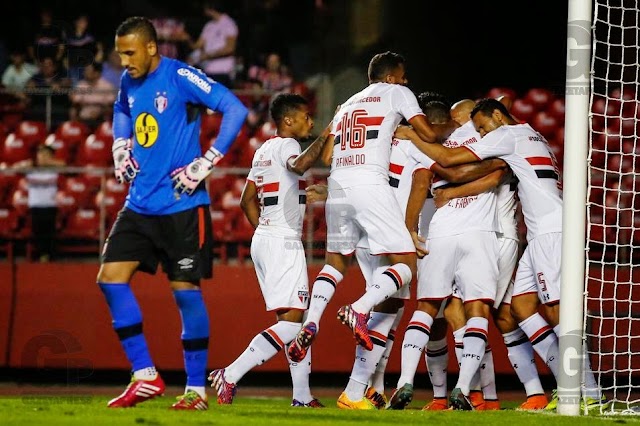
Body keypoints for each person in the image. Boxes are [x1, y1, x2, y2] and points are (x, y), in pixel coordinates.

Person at [407, 98, 608, 411]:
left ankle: (590, 394)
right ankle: (558, 387)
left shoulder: (507, 136)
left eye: (484, 127)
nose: (483, 133)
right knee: (521, 308)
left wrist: (414, 138)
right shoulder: (529, 133)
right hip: (539, 231)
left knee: (556, 312)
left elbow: (450, 158)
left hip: (548, 232)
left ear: (497, 118)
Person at [98, 16, 247, 411]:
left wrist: (209, 159)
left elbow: (235, 108)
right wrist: (119, 145)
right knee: (110, 279)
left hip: (183, 205)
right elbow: (122, 110)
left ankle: (195, 392)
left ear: (151, 48)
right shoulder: (129, 79)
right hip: (139, 203)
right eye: (120, 53)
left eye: (130, 52)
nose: (124, 61)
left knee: (186, 294)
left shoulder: (181, 75)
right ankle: (145, 375)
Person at [285, 51, 444, 410]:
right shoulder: (396, 95)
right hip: (371, 189)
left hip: (338, 185)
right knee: (405, 267)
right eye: (402, 76)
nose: (405, 82)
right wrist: (411, 128)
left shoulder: (347, 103)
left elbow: (326, 157)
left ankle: (319, 332)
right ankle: (357, 309)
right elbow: (429, 132)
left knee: (337, 263)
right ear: (390, 77)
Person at [208, 93, 332, 406]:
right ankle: (231, 374)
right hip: (281, 240)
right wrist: (329, 132)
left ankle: (302, 397)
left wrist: (266, 227)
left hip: (266, 238)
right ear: (288, 120)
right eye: (306, 116)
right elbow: (302, 164)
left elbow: (246, 199)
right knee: (292, 325)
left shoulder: (263, 149)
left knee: (296, 323)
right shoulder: (290, 145)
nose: (310, 122)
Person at [12, 144, 65, 262]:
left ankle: (50, 259)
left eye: (46, 154)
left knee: (50, 234)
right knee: (37, 234)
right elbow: (14, 168)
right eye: (41, 154)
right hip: (35, 207)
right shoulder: (32, 170)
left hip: (50, 206)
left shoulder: (53, 170)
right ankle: (39, 258)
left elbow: (64, 165)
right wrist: (29, 163)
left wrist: (48, 162)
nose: (43, 157)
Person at [187, 1, 238, 87]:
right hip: (207, 71)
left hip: (222, 72)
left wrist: (208, 56)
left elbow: (230, 48)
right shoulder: (209, 25)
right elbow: (198, 46)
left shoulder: (229, 24)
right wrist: (186, 38)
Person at [66, 14, 104, 85]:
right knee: (76, 87)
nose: (83, 24)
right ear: (76, 22)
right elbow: (65, 52)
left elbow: (98, 51)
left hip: (87, 68)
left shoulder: (90, 37)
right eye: (81, 21)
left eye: (85, 22)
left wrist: (94, 62)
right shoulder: (69, 37)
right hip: (74, 67)